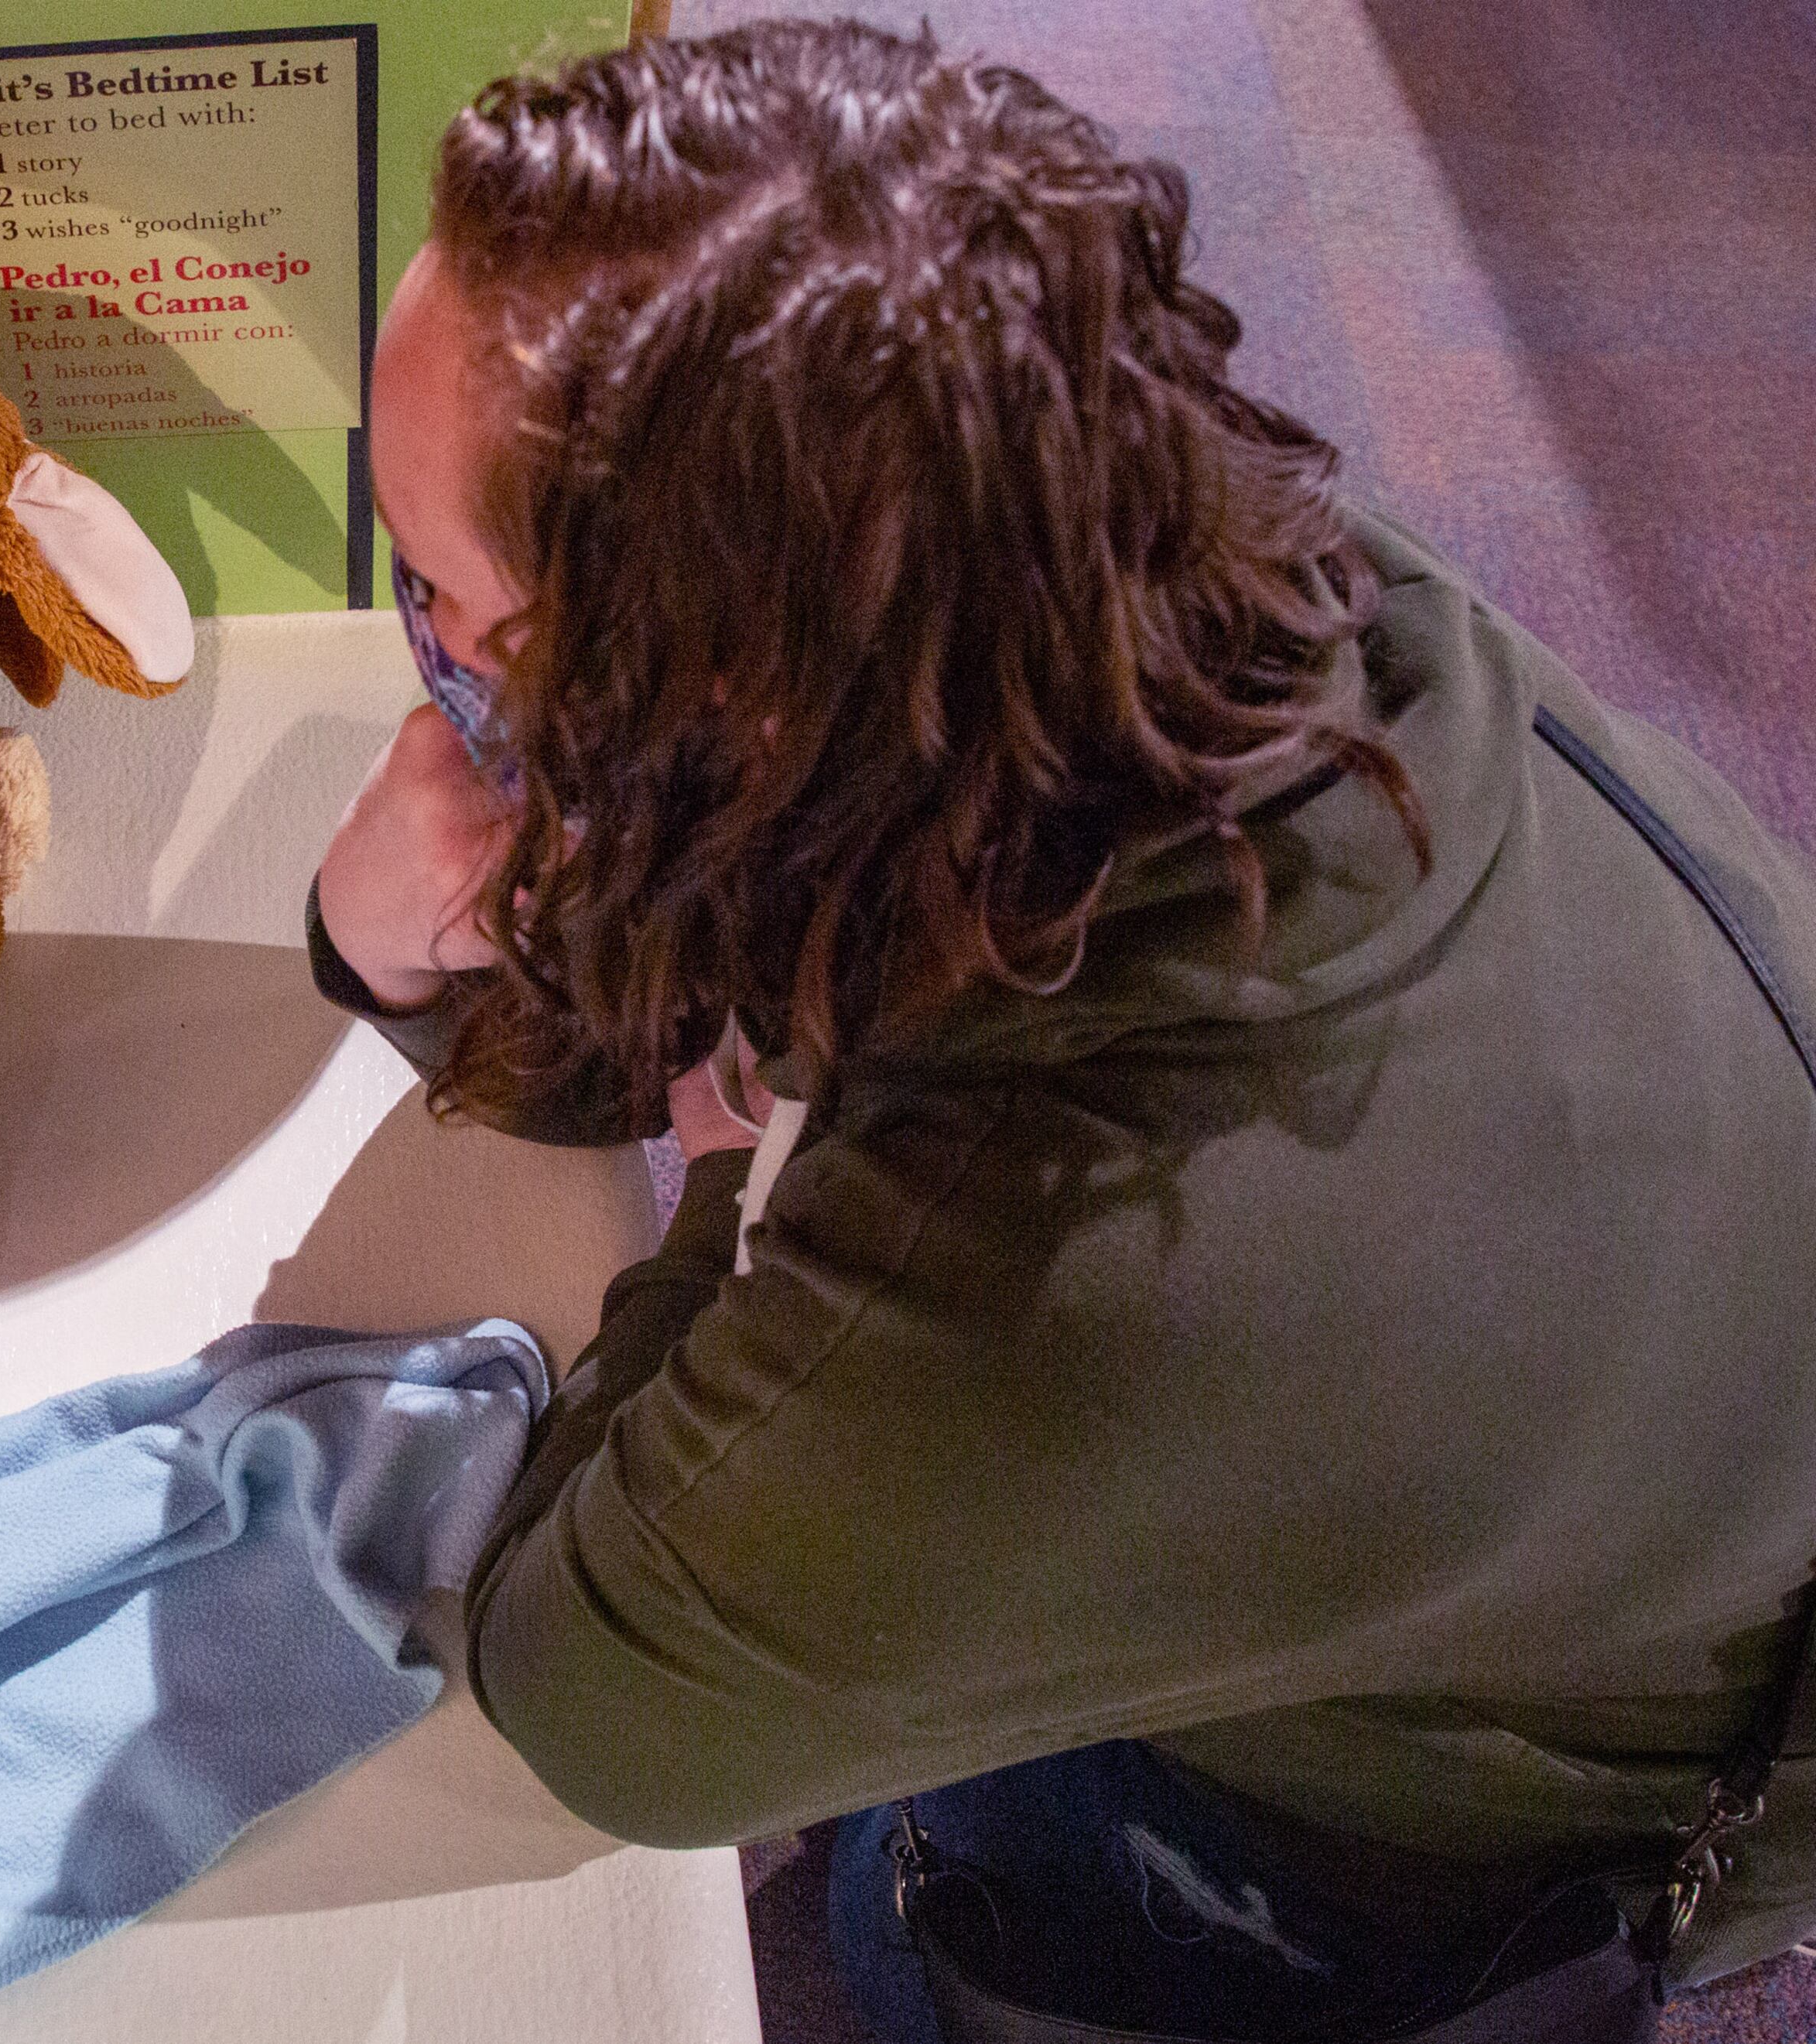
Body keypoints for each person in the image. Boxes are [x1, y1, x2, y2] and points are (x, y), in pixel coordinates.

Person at [310, 19, 1816, 2035]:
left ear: (714, 710)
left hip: (1485, 1805)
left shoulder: (1054, 1280)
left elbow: (601, 1699)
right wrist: (409, 939)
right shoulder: (1160, 578)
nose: (422, 684)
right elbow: (706, 969)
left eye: (439, 610)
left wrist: (729, 1199)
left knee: (930, 1941)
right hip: (1655, 1441)